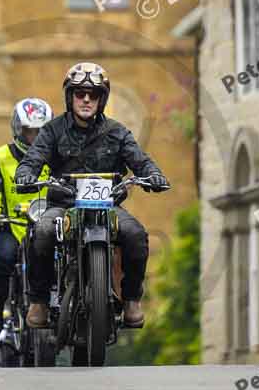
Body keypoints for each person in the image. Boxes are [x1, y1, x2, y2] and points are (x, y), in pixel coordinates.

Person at [15, 62, 170, 329]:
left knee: (136, 235)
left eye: (94, 94)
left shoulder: (117, 132)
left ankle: (132, 300)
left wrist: (153, 175)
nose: (86, 99)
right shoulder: (52, 130)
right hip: (63, 206)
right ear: (69, 96)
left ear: (102, 99)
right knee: (40, 232)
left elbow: (141, 160)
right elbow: (33, 159)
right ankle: (39, 301)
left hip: (108, 208)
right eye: (80, 93)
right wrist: (26, 174)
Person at [0, 97, 53, 345]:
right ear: (18, 130)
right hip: (13, 226)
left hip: (51, 225)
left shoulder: (58, 155)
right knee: (1, 261)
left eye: (40, 132)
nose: (35, 137)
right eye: (30, 131)